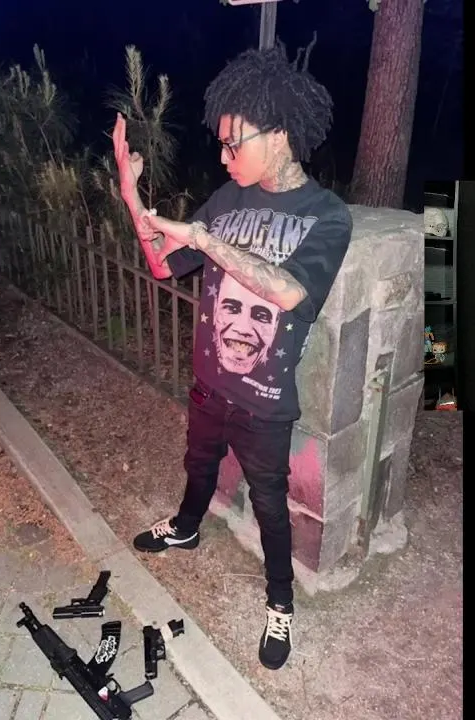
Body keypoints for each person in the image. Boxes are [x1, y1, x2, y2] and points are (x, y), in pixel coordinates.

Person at [111, 46, 353, 670]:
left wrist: (203, 237)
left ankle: (281, 602)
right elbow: (164, 264)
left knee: (270, 503)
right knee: (198, 462)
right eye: (220, 145)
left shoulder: (326, 216)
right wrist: (133, 199)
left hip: (265, 403)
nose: (223, 157)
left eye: (232, 143)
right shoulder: (227, 198)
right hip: (209, 381)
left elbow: (290, 292)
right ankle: (187, 526)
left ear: (279, 135)